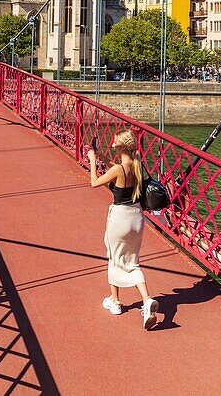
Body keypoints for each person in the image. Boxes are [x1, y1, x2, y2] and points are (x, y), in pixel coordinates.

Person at [86, 130, 158, 330]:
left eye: (115, 143)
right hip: (136, 218)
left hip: (120, 217)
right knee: (132, 261)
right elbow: (119, 171)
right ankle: (146, 300)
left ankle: (115, 302)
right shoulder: (136, 167)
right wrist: (102, 157)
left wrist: (92, 160)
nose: (112, 145)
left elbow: (94, 182)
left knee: (114, 257)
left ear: (121, 147)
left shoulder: (119, 169)